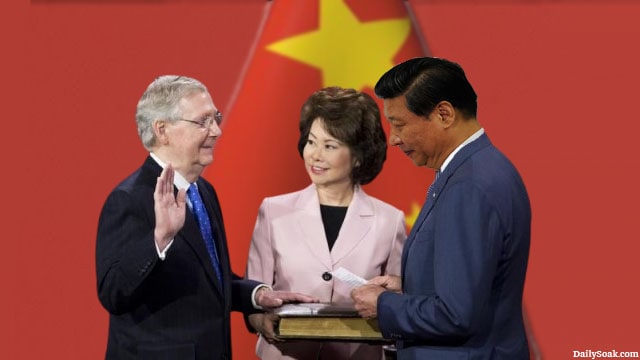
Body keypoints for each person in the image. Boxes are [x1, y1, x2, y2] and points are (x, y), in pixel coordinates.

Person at [95, 75, 316, 360]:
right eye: (203, 121)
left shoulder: (203, 192)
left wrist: (256, 296)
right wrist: (159, 239)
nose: (216, 131)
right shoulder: (129, 199)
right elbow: (113, 293)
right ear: (162, 130)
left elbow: (208, 283)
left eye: (216, 118)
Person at [350, 57, 532, 359]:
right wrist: (410, 286)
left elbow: (456, 314)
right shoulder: (481, 167)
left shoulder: (469, 185)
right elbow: (473, 283)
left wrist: (383, 305)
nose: (393, 139)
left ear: (444, 114)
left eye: (399, 124)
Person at [245, 87, 407, 359]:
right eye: (311, 142)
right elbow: (252, 296)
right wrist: (259, 321)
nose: (315, 155)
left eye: (329, 146)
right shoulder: (273, 211)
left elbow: (398, 304)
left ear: (357, 156)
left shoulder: (389, 221)